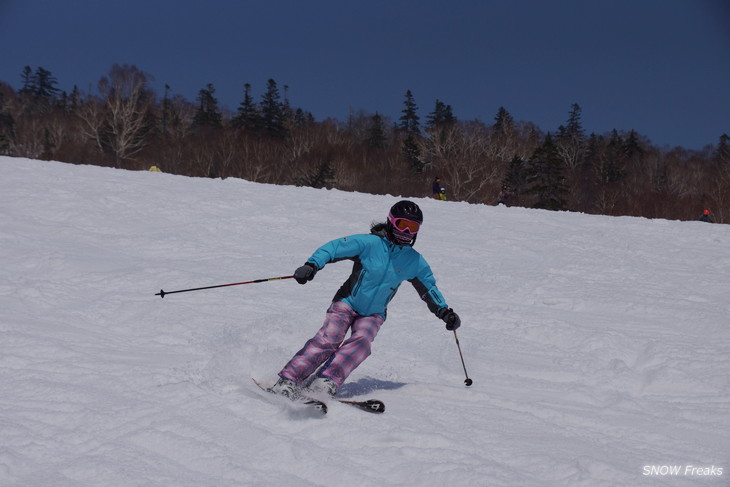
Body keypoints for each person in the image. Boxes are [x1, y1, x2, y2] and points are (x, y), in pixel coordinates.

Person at [270, 200, 461, 400]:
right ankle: (288, 380)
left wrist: (444, 311)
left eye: (412, 227)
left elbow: (429, 287)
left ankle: (326, 381)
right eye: (401, 224)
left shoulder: (414, 261)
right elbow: (334, 247)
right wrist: (312, 265)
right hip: (347, 302)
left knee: (362, 343)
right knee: (330, 338)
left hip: (374, 313)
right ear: (390, 222)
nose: (406, 231)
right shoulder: (369, 244)